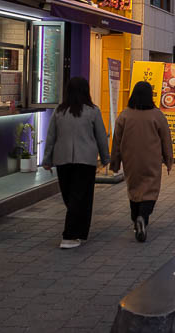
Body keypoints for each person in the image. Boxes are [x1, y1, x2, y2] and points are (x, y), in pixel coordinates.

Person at [42, 77, 109, 249]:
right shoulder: (93, 111)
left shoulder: (59, 111)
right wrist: (106, 157)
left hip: (63, 160)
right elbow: (101, 137)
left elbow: (50, 137)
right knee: (80, 197)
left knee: (71, 196)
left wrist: (47, 159)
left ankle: (73, 233)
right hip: (86, 161)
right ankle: (72, 234)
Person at [110, 81, 173, 243]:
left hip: (130, 158)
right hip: (151, 159)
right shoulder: (157, 115)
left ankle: (135, 219)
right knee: (150, 190)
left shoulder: (124, 115)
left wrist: (115, 161)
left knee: (134, 188)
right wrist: (168, 159)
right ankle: (143, 218)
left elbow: (116, 140)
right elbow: (166, 139)